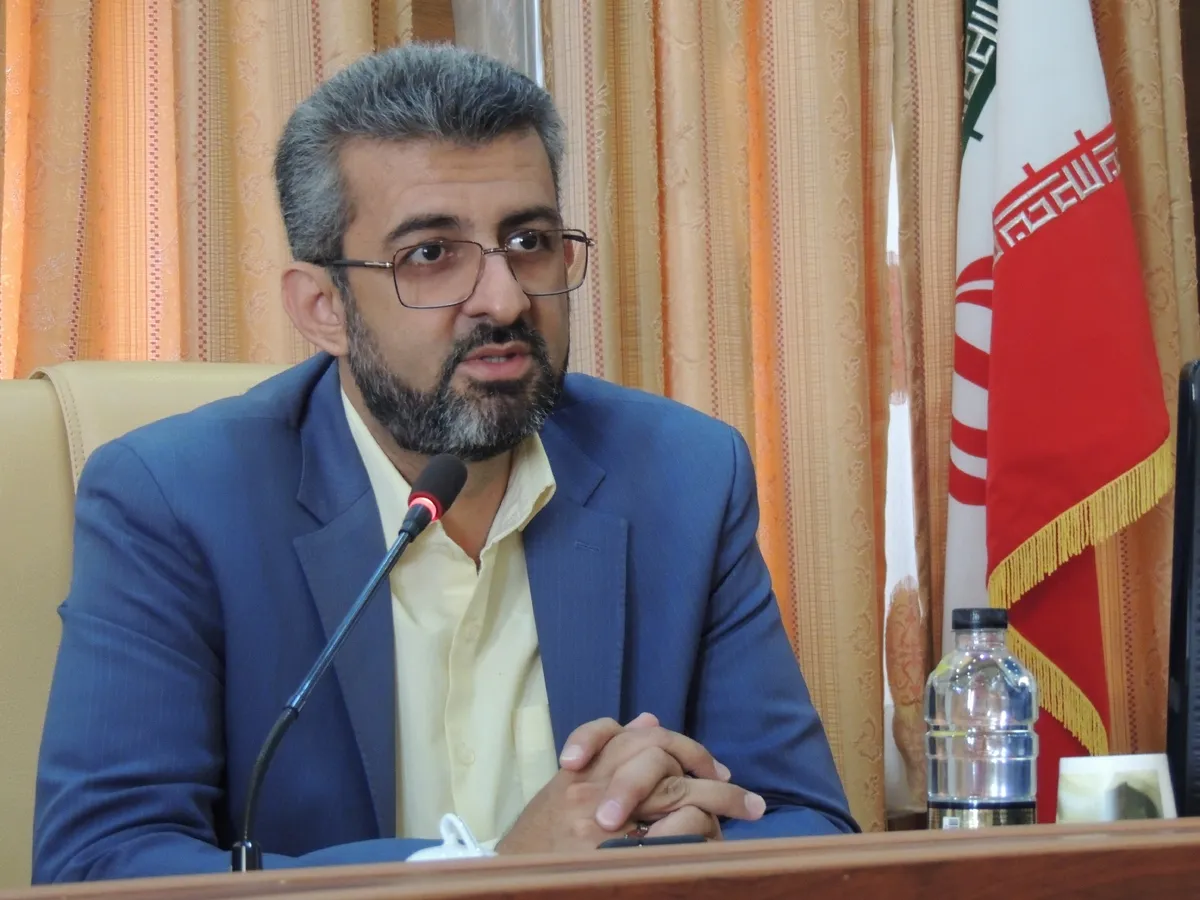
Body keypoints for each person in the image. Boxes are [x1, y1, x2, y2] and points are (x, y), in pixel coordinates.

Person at [31, 43, 856, 883]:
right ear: (323, 308)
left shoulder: (683, 476)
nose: (504, 298)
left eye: (529, 241)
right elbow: (102, 864)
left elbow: (805, 827)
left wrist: (674, 847)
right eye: (430, 254)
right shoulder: (173, 501)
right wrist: (492, 868)